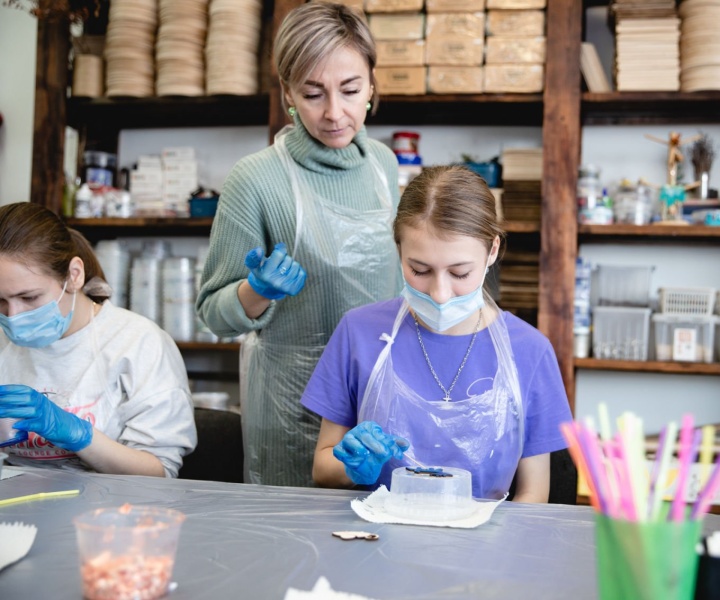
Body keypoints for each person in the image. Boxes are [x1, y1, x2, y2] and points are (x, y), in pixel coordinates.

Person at [196, 3, 402, 487]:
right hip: (293, 404)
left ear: (372, 85)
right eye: (313, 93)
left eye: (350, 90)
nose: (334, 112)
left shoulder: (384, 166)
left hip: (375, 395)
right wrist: (256, 291)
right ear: (287, 92)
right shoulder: (256, 179)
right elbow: (212, 313)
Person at [301, 165, 573, 502]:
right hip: (374, 531)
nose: (440, 293)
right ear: (399, 250)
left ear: (492, 251)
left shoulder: (530, 350)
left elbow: (534, 493)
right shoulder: (359, 333)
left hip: (488, 536)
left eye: (460, 273)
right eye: (420, 270)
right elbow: (322, 469)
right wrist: (351, 468)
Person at [0, 202, 196, 477]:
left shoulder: (138, 342)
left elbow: (158, 472)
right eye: (0, 301)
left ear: (74, 276)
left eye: (29, 297)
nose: (13, 316)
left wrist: (78, 435)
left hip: (112, 501)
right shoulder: (4, 345)